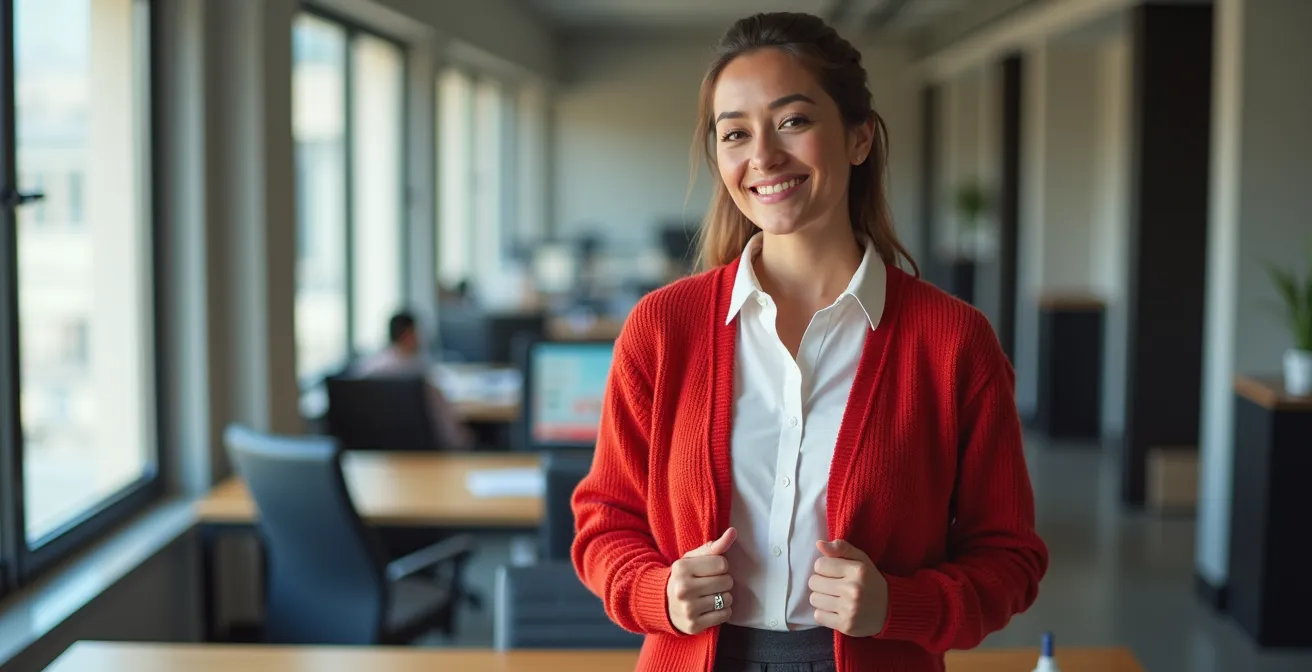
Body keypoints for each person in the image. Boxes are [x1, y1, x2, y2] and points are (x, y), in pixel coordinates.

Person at [570, 12, 1048, 672]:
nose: (763, 156)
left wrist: (900, 605)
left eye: (793, 121)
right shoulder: (662, 328)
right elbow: (604, 522)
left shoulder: (953, 342)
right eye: (735, 133)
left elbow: (1011, 559)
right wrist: (660, 594)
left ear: (858, 138)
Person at [355, 311, 474, 451]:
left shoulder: (364, 371)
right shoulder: (419, 377)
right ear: (408, 335)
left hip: (372, 459)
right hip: (428, 460)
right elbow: (452, 437)